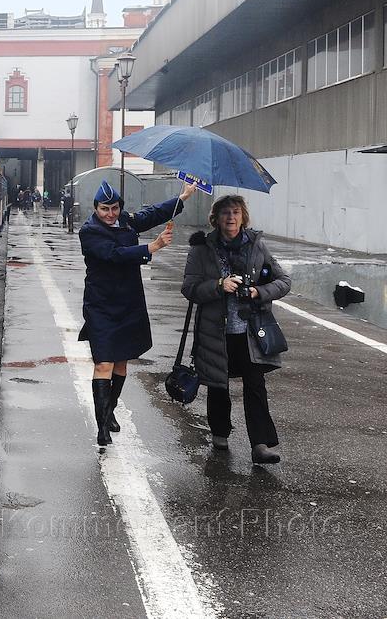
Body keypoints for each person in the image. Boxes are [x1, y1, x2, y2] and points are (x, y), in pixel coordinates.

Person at [79, 180, 197, 446]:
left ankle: (109, 410)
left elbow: (153, 213)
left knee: (121, 361)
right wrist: (151, 248)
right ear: (95, 208)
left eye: (115, 208)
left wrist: (183, 197)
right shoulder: (89, 232)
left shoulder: (127, 221)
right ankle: (102, 429)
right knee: (103, 363)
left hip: (129, 301)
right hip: (101, 305)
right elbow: (115, 254)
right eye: (104, 209)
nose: (110, 214)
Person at [181, 195, 291, 464]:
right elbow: (189, 288)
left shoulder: (256, 246)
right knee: (218, 384)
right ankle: (220, 433)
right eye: (225, 213)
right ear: (215, 218)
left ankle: (260, 444)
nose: (231, 218)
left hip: (251, 330)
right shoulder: (201, 249)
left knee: (255, 385)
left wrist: (258, 291)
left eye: (235, 212)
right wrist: (219, 285)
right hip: (215, 329)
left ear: (243, 216)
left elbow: (284, 281)